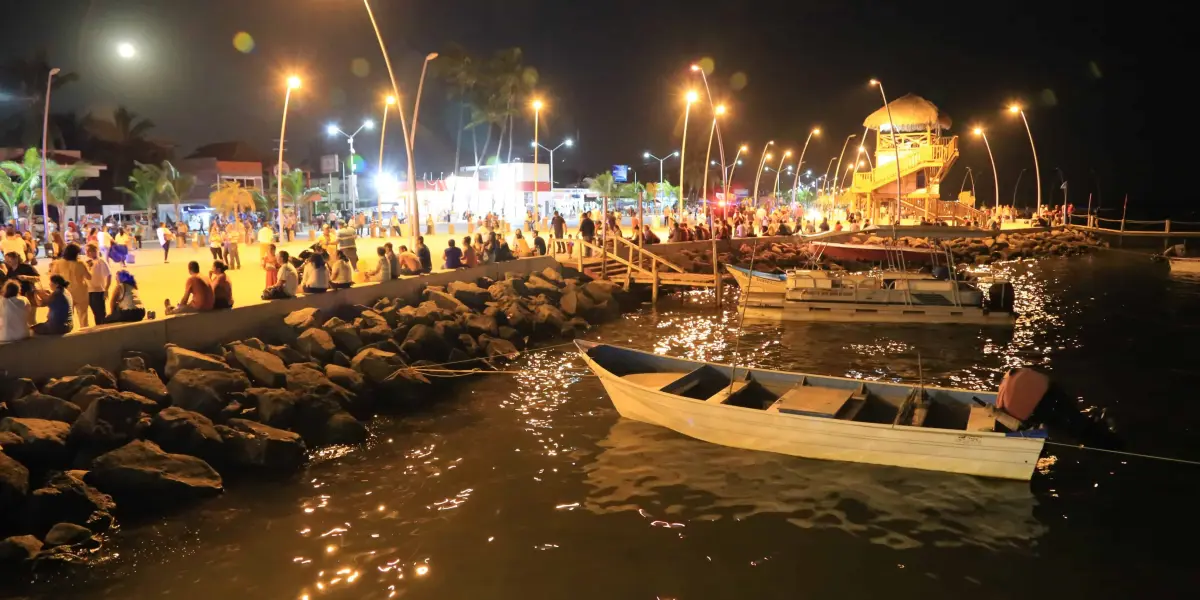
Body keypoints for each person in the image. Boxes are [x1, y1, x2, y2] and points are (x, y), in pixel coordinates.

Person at [49, 243, 92, 327]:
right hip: (80, 292)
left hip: (66, 293)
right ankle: (85, 333)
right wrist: (89, 267)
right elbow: (89, 277)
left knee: (67, 316)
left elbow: (52, 278)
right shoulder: (80, 264)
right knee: (83, 316)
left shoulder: (58, 263)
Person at [83, 243, 112, 326]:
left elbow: (109, 275)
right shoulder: (87, 262)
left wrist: (106, 289)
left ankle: (103, 328)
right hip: (89, 291)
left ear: (95, 251)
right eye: (86, 251)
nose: (87, 253)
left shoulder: (101, 261)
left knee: (100, 313)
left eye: (89, 251)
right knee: (95, 312)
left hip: (98, 290)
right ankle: (99, 327)